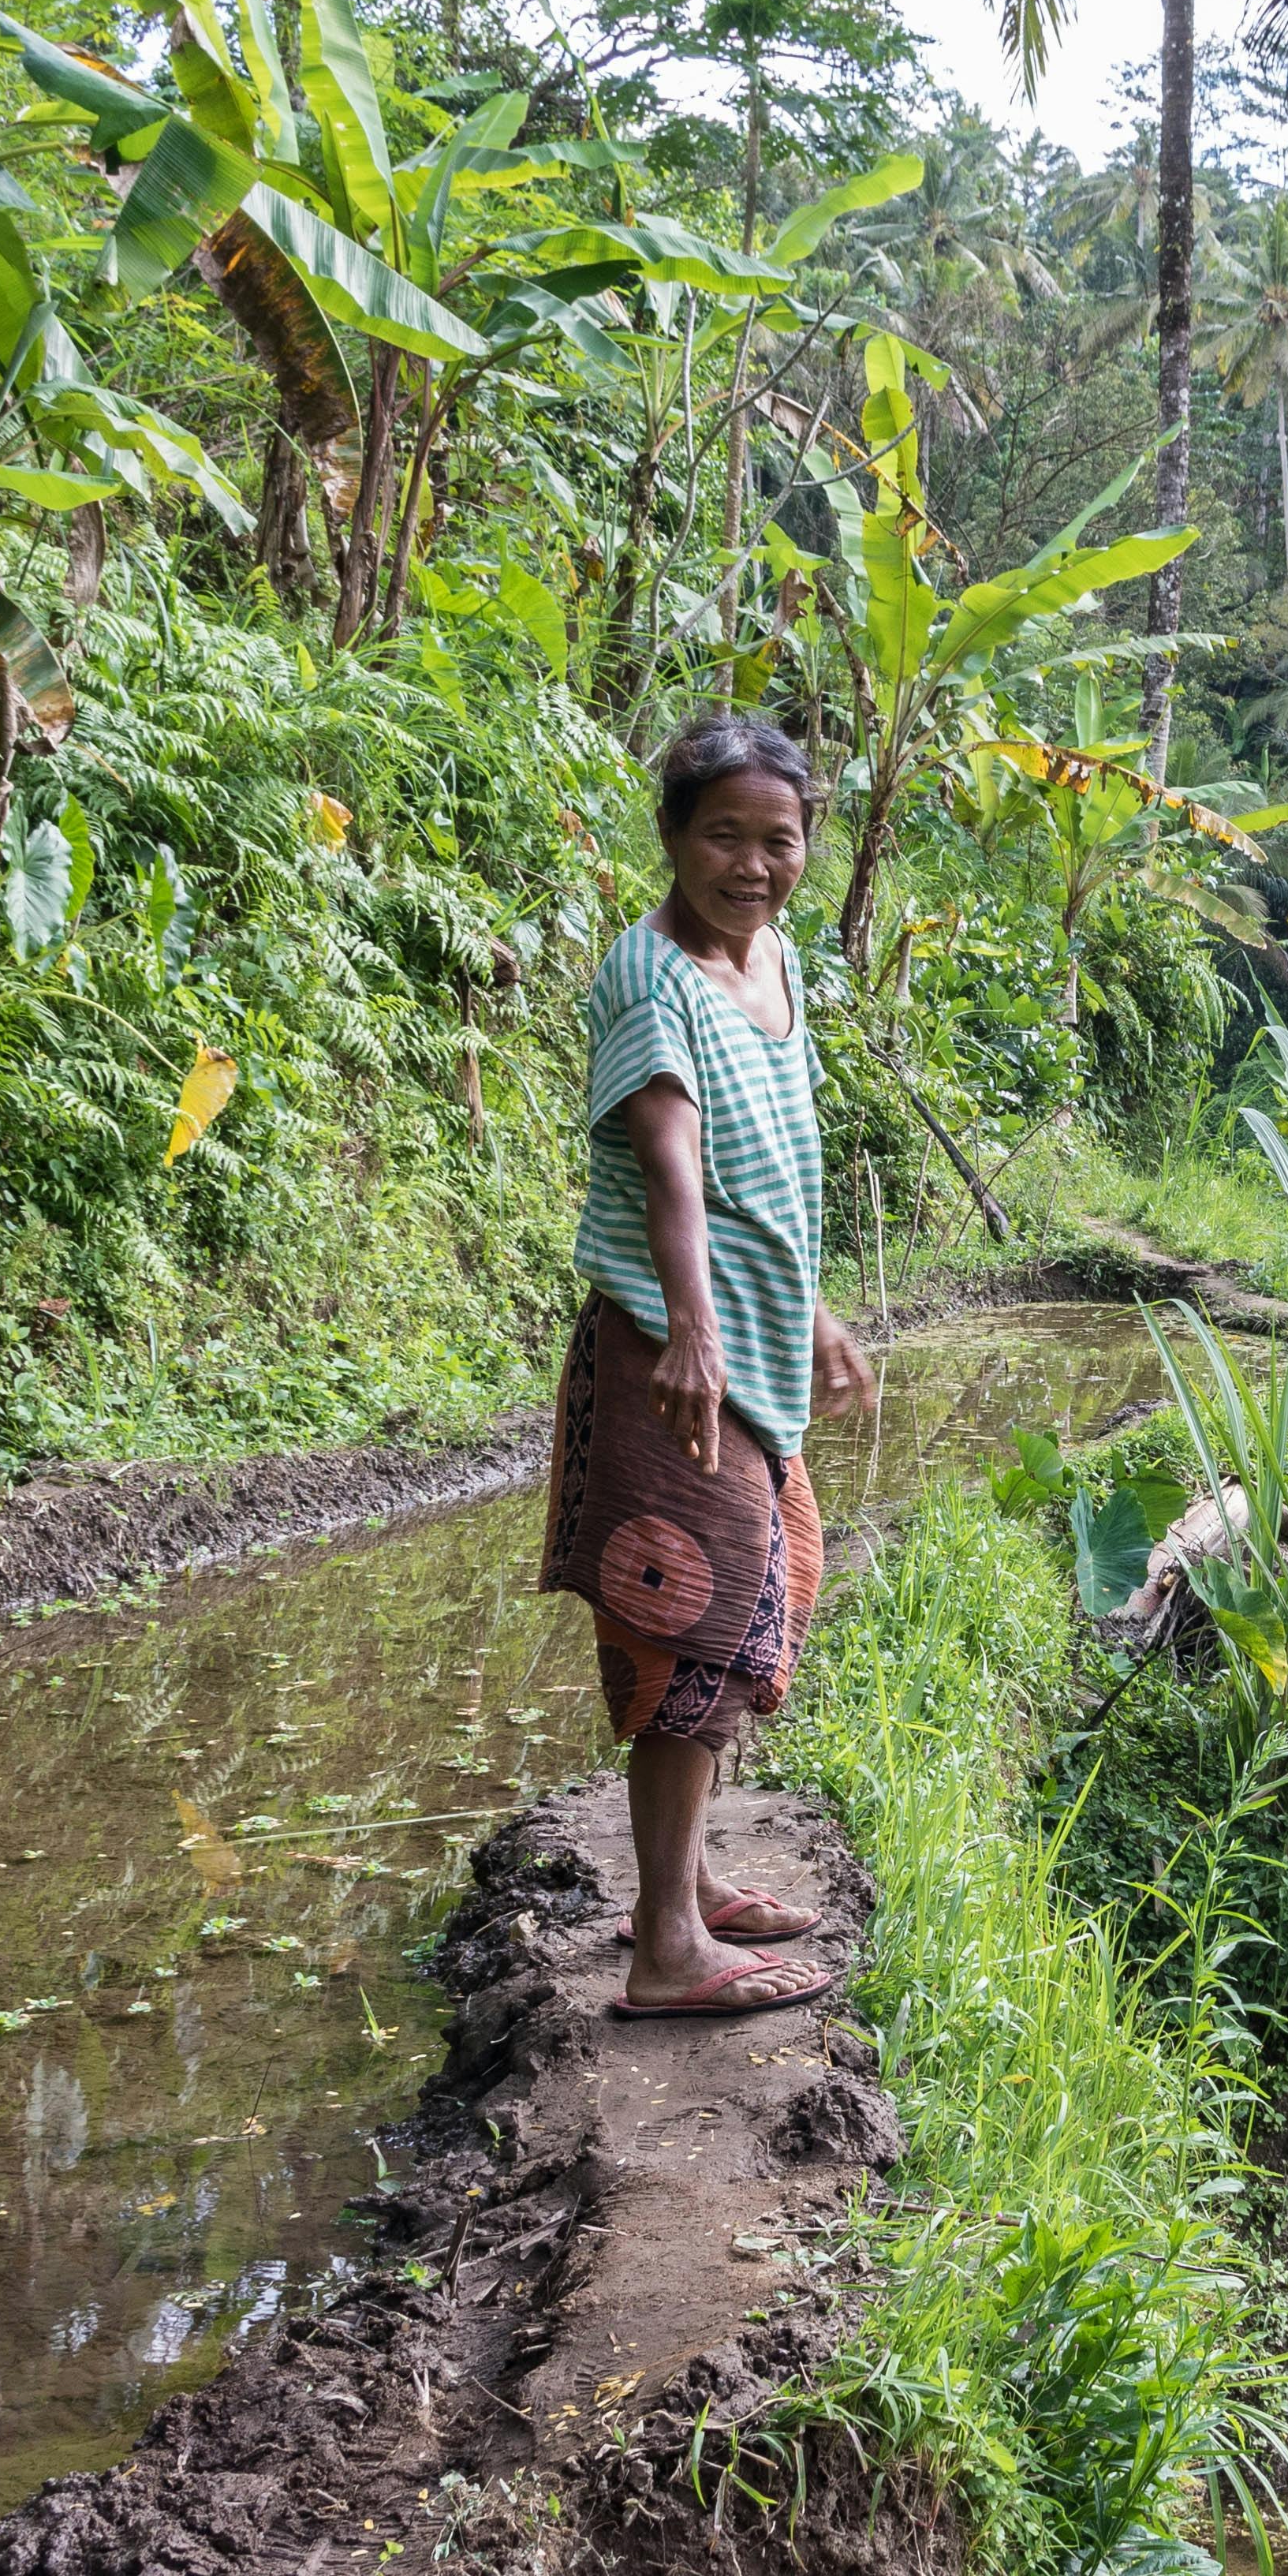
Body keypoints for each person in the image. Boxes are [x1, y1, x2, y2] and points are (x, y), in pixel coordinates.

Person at [536, 714, 874, 2017]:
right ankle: (668, 1948)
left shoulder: (778, 960)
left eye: (776, 840)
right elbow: (672, 1168)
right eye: (721, 835)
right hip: (675, 1352)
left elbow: (762, 1176)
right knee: (692, 1624)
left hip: (748, 1342)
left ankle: (683, 1885)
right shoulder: (652, 976)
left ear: (807, 850)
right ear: (673, 837)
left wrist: (813, 1310)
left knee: (758, 1596)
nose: (750, 864)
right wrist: (692, 1326)